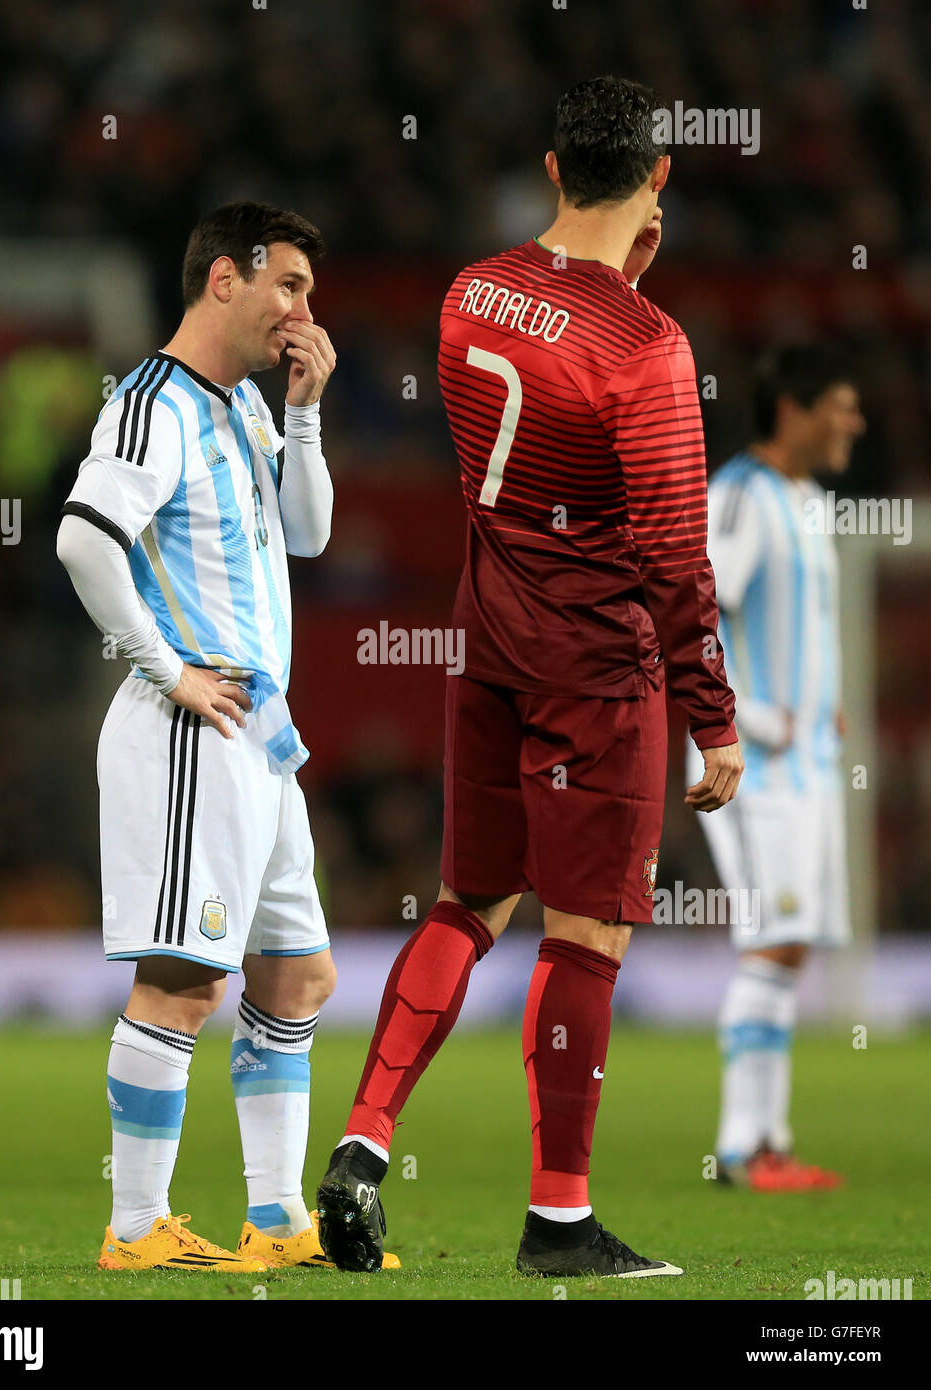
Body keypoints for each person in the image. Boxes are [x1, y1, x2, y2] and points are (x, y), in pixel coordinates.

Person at [316, 76, 743, 1277]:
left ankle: (361, 1141)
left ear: (553, 171)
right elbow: (669, 554)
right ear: (658, 177)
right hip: (598, 671)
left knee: (467, 900)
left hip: (487, 641)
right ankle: (559, 1217)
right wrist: (712, 719)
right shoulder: (647, 349)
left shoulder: (469, 293)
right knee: (586, 935)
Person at [57, 201, 362, 1273]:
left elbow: (309, 533)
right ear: (223, 280)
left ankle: (275, 1221)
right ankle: (135, 1227)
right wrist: (167, 666)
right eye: (289, 285)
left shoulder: (240, 407)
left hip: (261, 731)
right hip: (196, 725)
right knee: (187, 979)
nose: (303, 311)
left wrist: (307, 412)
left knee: (298, 976)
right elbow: (83, 538)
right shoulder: (151, 405)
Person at [692, 345, 865, 1192]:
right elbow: (698, 617)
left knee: (788, 949)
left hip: (809, 764)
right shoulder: (741, 496)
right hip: (752, 766)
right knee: (773, 941)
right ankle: (743, 1148)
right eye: (841, 403)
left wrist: (818, 706)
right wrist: (753, 717)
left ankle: (766, 1141)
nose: (855, 422)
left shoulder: (807, 501)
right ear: (792, 410)